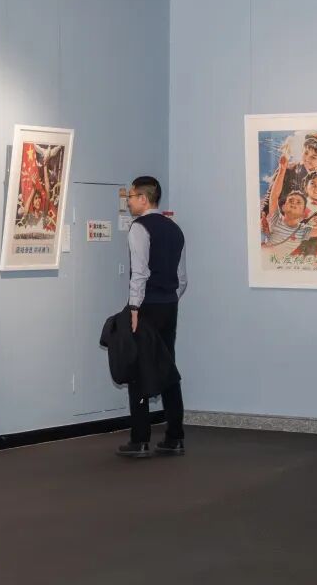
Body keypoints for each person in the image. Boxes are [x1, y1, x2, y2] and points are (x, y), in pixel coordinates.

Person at [119, 176, 188, 458]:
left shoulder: (139, 228)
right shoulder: (175, 228)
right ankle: (175, 436)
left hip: (146, 308)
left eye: (131, 196)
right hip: (170, 305)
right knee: (167, 367)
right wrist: (169, 298)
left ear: (143, 199)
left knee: (139, 369)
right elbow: (182, 278)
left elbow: (140, 273)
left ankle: (140, 439)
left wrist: (134, 308)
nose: (129, 201)